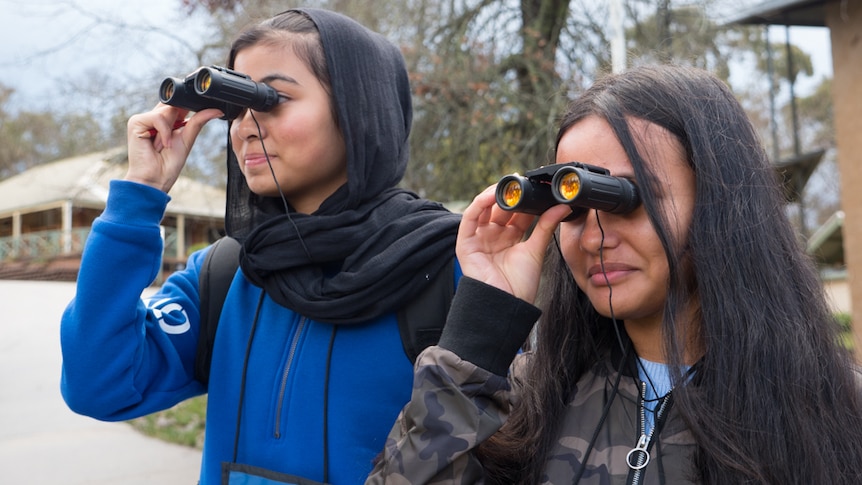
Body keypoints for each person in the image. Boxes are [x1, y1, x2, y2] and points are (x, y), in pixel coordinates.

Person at [366, 64, 862, 484]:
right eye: (574, 210)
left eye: (630, 198)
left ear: (720, 204)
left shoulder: (837, 410)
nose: (595, 237)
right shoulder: (525, 400)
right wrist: (477, 332)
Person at [59, 8, 461, 485]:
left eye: (272, 99)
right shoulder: (228, 273)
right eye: (235, 108)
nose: (245, 127)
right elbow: (96, 386)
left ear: (360, 109)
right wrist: (137, 200)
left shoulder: (449, 265)